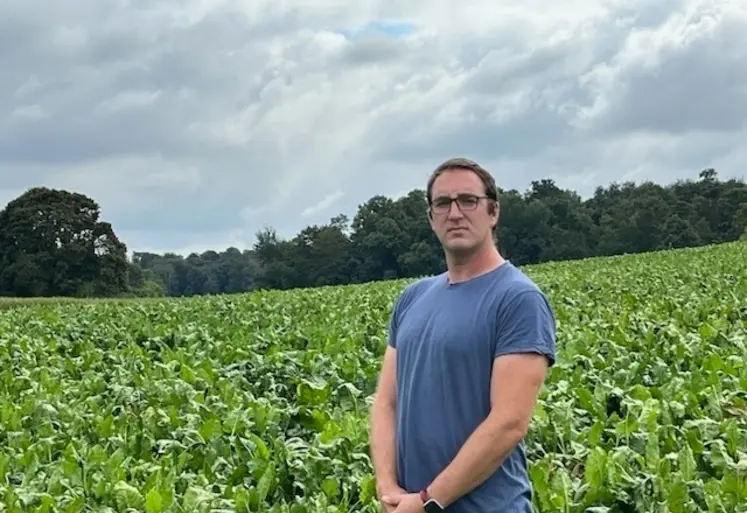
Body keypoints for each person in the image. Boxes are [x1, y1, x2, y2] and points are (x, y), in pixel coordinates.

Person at [369, 158, 556, 512]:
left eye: (468, 200)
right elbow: (386, 403)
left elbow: (508, 422)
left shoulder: (518, 298)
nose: (455, 213)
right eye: (443, 203)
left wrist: (428, 500)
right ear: (431, 217)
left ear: (493, 212)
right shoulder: (412, 298)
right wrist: (389, 488)